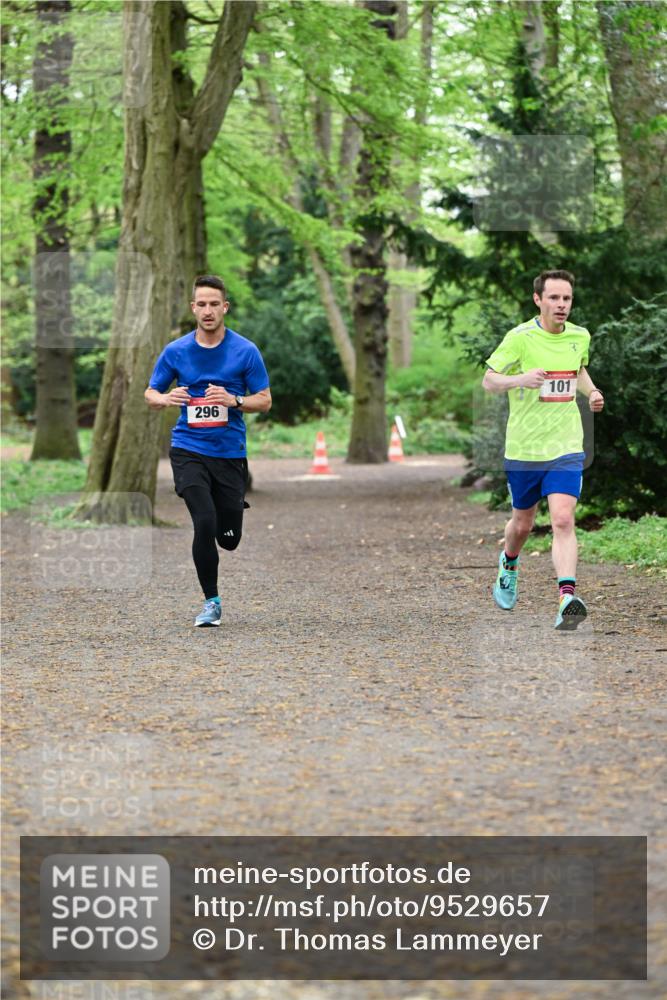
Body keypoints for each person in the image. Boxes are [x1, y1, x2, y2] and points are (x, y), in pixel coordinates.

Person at [145, 275, 271, 626]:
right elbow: (150, 393)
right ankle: (211, 602)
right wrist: (165, 398)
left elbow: (265, 400)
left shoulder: (245, 351)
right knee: (203, 520)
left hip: (229, 453)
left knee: (228, 539)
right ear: (193, 308)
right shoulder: (176, 351)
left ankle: (228, 518)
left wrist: (234, 400)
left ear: (225, 307)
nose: (208, 310)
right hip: (188, 449)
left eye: (214, 304)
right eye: (201, 304)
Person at [482, 269, 604, 630]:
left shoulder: (580, 336)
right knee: (522, 525)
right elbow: (489, 380)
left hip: (566, 445)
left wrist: (592, 392)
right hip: (525, 449)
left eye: (566, 298)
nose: (561, 304)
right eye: (554, 297)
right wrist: (520, 378)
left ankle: (567, 598)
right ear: (538, 300)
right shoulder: (520, 338)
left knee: (563, 519)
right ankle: (509, 562)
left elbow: (577, 370)